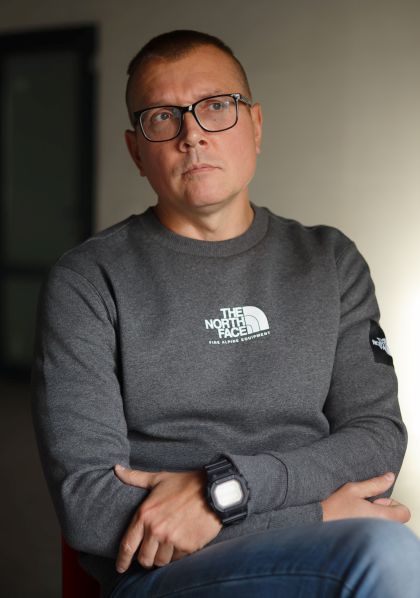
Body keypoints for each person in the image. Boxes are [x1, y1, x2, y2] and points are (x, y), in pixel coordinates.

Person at [31, 30, 420, 597]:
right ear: (136, 151)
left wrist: (223, 490)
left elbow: (376, 440)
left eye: (216, 106)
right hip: (162, 574)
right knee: (386, 554)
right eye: (162, 117)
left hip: (310, 547)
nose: (191, 134)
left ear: (255, 125)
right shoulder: (87, 281)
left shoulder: (330, 260)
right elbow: (90, 508)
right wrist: (315, 515)